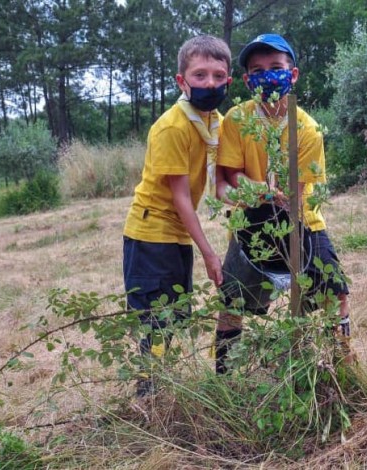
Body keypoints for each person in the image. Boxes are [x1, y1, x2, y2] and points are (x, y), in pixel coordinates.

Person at [213, 33, 351, 375]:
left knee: (335, 292)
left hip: (304, 222)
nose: (267, 75)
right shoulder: (236, 119)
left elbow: (294, 196)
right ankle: (224, 376)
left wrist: (254, 187)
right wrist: (259, 189)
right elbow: (230, 178)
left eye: (276, 67)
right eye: (257, 70)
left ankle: (343, 365)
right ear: (247, 80)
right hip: (248, 225)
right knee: (233, 303)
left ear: (293, 74)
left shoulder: (307, 129)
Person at [123, 35, 231, 396]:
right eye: (200, 75)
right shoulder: (173, 127)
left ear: (229, 79)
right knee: (156, 319)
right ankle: (147, 397)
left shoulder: (215, 121)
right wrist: (209, 253)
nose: (210, 84)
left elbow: (221, 185)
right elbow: (182, 198)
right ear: (181, 80)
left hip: (177, 234)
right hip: (152, 232)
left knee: (175, 315)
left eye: (218, 75)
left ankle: (162, 388)